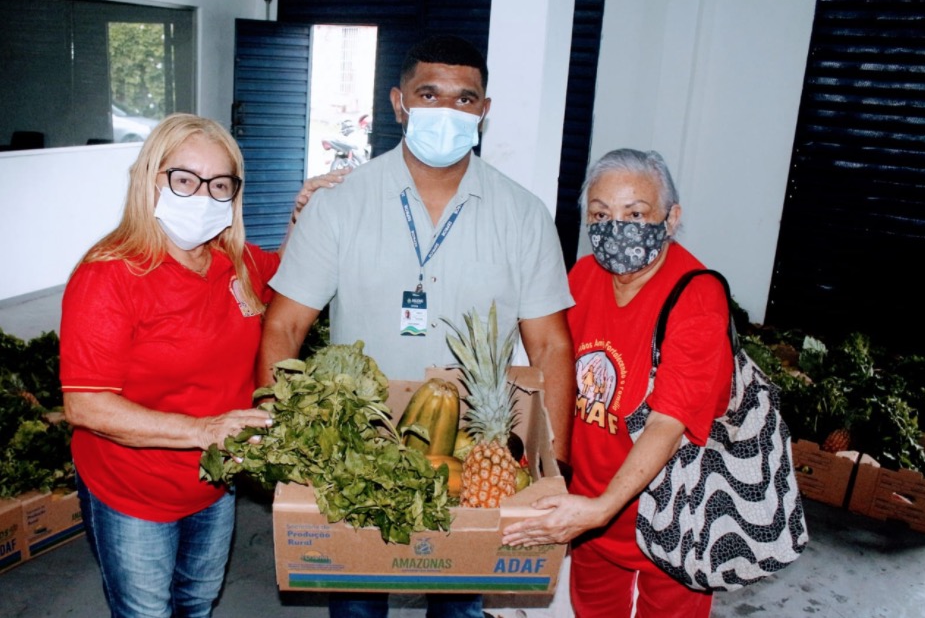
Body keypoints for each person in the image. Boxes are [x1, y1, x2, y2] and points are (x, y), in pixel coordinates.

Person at [259, 35, 575, 618]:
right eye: (429, 94)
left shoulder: (523, 216)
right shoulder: (340, 205)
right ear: (398, 102)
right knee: (356, 608)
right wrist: (288, 437)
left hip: (476, 456)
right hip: (356, 452)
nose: (446, 112)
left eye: (464, 99)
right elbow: (284, 327)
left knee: (459, 611)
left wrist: (553, 466)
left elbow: (551, 343)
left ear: (484, 110)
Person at [59, 114, 282, 618]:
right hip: (134, 491)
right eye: (184, 180)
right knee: (146, 612)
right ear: (150, 179)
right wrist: (206, 429)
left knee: (197, 603)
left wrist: (313, 210)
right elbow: (86, 405)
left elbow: (299, 272)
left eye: (219, 184)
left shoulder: (237, 262)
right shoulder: (110, 276)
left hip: (213, 483)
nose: (202, 196)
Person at [501, 149, 734, 618]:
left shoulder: (697, 296)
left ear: (671, 219)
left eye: (635, 213)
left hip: (668, 519)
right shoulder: (584, 276)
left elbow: (668, 423)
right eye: (601, 214)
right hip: (589, 510)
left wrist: (604, 506)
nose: (616, 227)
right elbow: (555, 370)